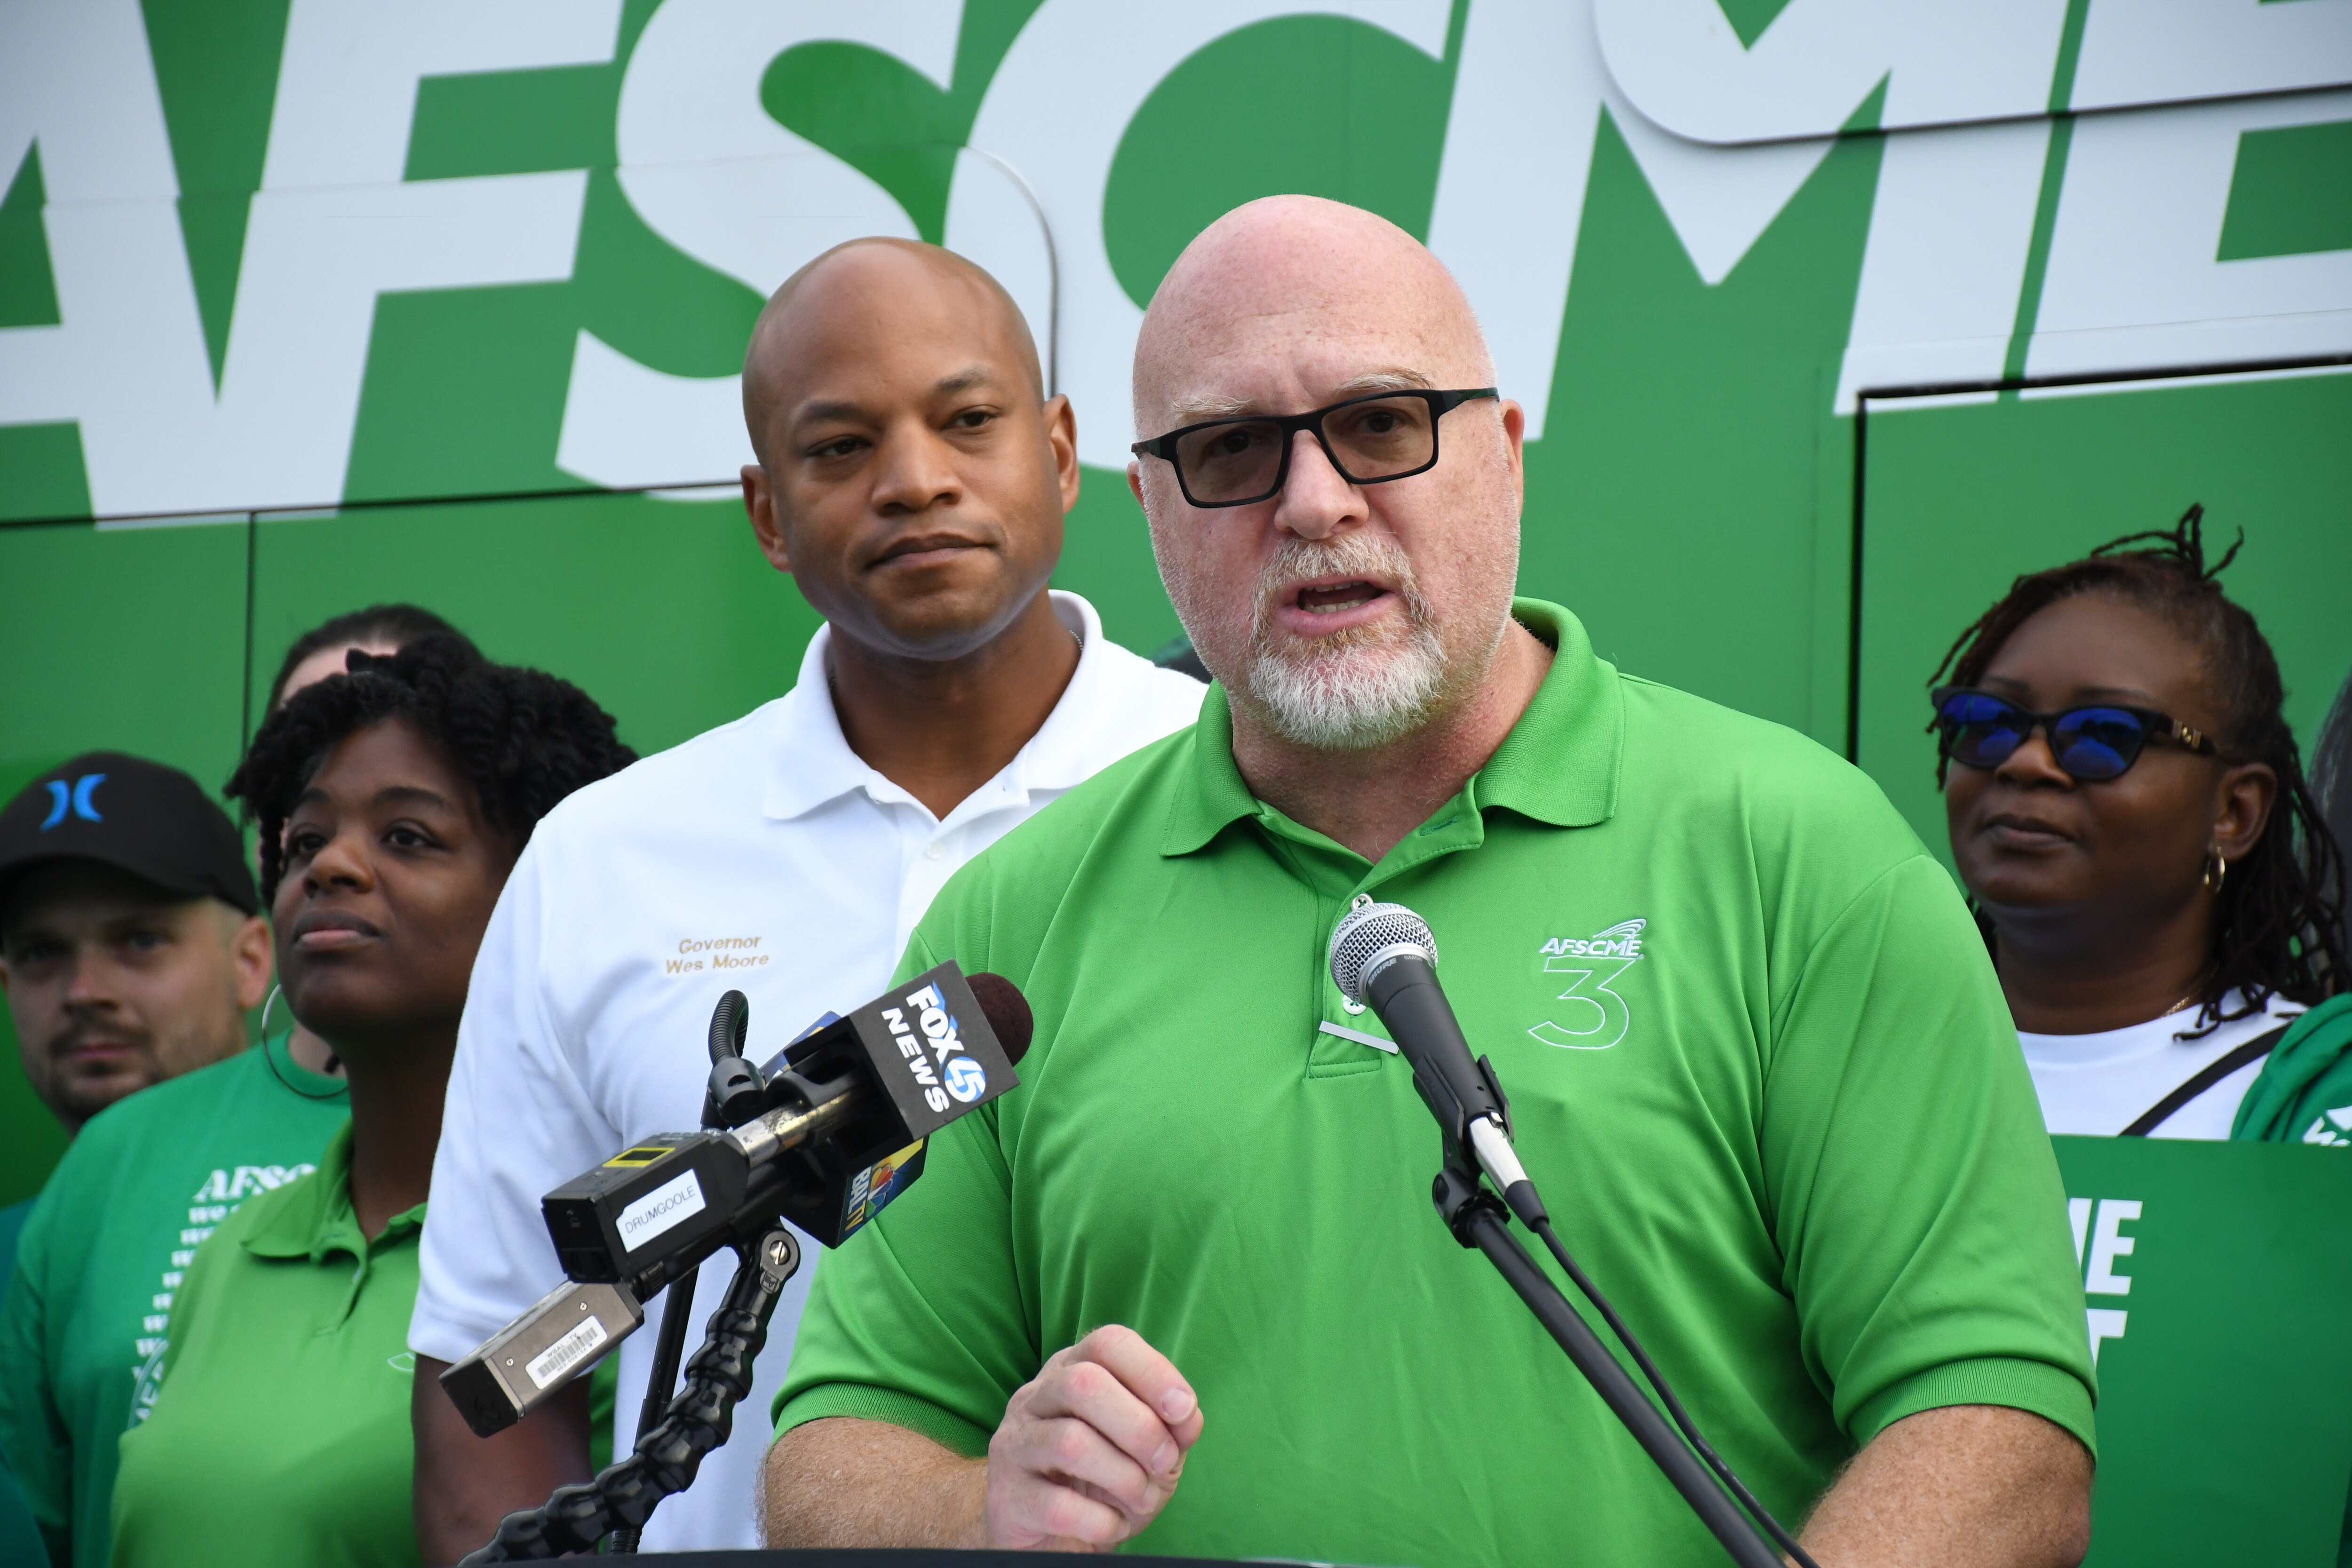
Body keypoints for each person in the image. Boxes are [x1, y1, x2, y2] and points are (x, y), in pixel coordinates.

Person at [762, 197, 2096, 1568]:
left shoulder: (1798, 851)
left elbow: (1997, 1427)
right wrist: (974, 1510)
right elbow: (834, 1448)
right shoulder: (1006, 921)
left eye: (1382, 423)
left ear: (1502, 457)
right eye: (1230, 449)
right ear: (1150, 508)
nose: (1313, 502)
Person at [406, 237, 1207, 1558]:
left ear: (1063, 452)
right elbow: (504, 1369)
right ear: (767, 512)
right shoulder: (604, 860)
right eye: (840, 446)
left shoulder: (1244, 789)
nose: (916, 479)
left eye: (968, 420)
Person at [106, 637, 635, 1568]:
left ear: (542, 895)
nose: (329, 867)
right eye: (305, 841)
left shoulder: (604, 1255)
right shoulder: (237, 1247)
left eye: (407, 836)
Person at [0, 755, 342, 1568]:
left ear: (252, 960)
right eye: (42, 952)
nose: (85, 990)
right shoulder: (25, 1250)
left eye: (140, 940)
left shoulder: (380, 1151)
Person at [1930, 509, 2348, 1139]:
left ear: (2233, 812)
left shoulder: (2315, 1097)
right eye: (1989, 722)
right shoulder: (1844, 1059)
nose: (2024, 762)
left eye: (2104, 732)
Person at [264, 604, 482, 1086]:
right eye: (302, 752)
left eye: (405, 835)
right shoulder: (139, 1127)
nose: (333, 860)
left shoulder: (575, 1120)